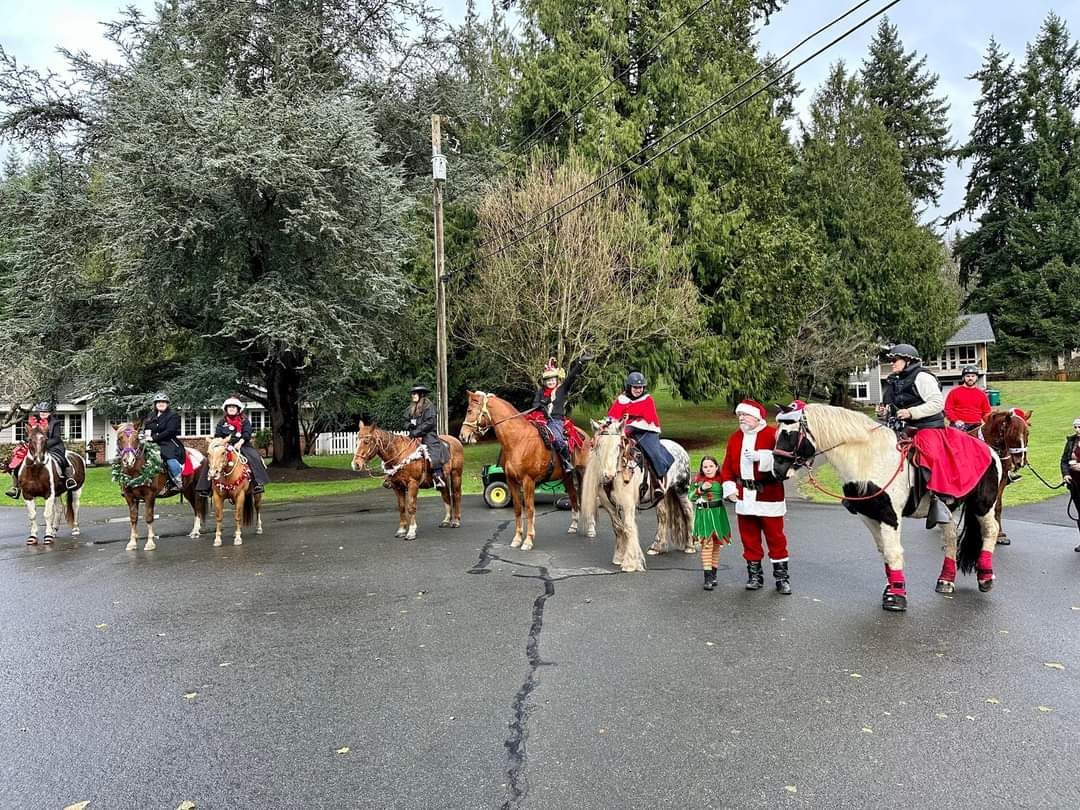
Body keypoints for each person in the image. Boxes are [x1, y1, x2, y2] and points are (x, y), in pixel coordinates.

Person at [875, 343, 952, 526]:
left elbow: (937, 403)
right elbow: (894, 409)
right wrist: (884, 414)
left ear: (907, 360)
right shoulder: (894, 380)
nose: (892, 364)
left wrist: (912, 412)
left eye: (895, 360)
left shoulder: (922, 377)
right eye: (891, 360)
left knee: (930, 456)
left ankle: (938, 499)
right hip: (904, 428)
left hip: (928, 427)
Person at [720, 399, 791, 594]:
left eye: (745, 414)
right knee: (749, 538)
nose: (741, 418)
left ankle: (782, 578)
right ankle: (755, 576)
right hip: (744, 497)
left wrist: (763, 457)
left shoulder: (773, 434)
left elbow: (784, 462)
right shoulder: (735, 438)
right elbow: (727, 467)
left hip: (769, 495)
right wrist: (729, 487)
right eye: (739, 415)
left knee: (776, 538)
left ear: (757, 416)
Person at [606, 371, 675, 492]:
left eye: (641, 387)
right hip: (623, 430)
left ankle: (658, 482)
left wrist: (629, 427)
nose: (638, 390)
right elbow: (613, 416)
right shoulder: (621, 399)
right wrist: (609, 423)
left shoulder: (647, 400)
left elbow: (648, 419)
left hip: (645, 431)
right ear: (629, 387)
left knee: (652, 452)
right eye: (635, 387)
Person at [196, 397, 270, 496]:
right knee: (208, 460)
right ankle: (206, 487)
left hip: (242, 445)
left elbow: (247, 434)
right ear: (226, 409)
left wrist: (240, 442)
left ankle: (256, 484)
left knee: (254, 457)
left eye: (234, 407)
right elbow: (218, 435)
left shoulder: (245, 421)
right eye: (229, 407)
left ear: (238, 409)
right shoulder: (222, 422)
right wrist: (221, 444)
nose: (231, 408)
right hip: (224, 446)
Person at [531, 354, 590, 473]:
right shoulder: (540, 392)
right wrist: (541, 405)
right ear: (545, 382)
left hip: (556, 420)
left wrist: (579, 364)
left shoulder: (561, 389)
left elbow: (571, 378)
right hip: (540, 419)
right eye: (548, 380)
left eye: (552, 379)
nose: (550, 382)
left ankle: (566, 460)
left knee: (557, 438)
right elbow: (535, 405)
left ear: (557, 379)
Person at [690, 456, 732, 591]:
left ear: (716, 467)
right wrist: (701, 489)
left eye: (710, 466)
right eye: (705, 467)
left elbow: (731, 492)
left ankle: (713, 575)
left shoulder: (722, 481)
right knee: (707, 545)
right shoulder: (698, 481)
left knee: (716, 546)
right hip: (704, 515)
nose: (708, 469)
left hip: (719, 514)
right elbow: (691, 497)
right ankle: (707, 578)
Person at [405, 384, 448, 488]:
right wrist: (409, 425)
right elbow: (405, 421)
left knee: (433, 448)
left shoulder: (429, 406)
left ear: (421, 394)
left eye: (415, 393)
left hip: (428, 434)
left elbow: (430, 423)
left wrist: (417, 432)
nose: (413, 395)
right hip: (413, 434)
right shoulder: (410, 408)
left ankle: (438, 475)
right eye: (412, 393)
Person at [143, 392, 185, 495]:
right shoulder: (151, 415)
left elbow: (170, 431)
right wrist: (145, 435)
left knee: (170, 459)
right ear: (155, 404)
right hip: (151, 442)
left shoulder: (172, 415)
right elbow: (147, 428)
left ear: (167, 404)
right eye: (159, 402)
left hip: (168, 442)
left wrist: (154, 438)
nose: (161, 404)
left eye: (163, 402)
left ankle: (178, 481)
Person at [5, 410, 50, 498]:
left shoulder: (48, 424)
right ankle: (15, 487)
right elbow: (27, 437)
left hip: (44, 447)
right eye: (41, 412)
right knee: (15, 464)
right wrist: (23, 442)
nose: (43, 414)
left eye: (45, 412)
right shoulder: (30, 425)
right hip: (30, 448)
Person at [944, 366, 992, 436]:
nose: (970, 378)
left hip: (976, 425)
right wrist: (956, 420)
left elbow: (986, 412)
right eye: (968, 376)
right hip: (958, 425)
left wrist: (990, 423)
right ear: (963, 378)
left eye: (973, 376)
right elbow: (948, 409)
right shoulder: (954, 392)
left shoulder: (982, 394)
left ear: (976, 378)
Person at [1062, 417, 1080, 552]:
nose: (1077, 430)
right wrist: (1066, 474)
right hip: (1075, 483)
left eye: (1079, 427)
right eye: (1075, 427)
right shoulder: (1071, 442)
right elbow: (1063, 461)